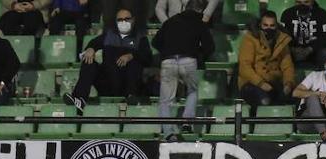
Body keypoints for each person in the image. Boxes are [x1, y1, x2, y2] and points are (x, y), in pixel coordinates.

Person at [64, 8, 152, 112]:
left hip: (127, 85)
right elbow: (94, 43)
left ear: (133, 20)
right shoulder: (109, 36)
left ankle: (131, 97)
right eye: (120, 20)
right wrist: (90, 49)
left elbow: (147, 57)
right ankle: (79, 99)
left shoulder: (140, 38)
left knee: (135, 63)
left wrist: (130, 56)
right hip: (108, 83)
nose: (123, 22)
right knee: (88, 62)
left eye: (127, 19)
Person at [155, 0, 215, 141]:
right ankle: (187, 122)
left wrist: (168, 51)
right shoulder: (199, 22)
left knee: (165, 100)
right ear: (200, 10)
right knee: (192, 91)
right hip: (189, 60)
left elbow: (156, 42)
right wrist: (199, 55)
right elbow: (210, 47)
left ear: (185, 7)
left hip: (168, 60)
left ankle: (168, 133)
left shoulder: (170, 21)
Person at [237, 12, 295, 107]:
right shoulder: (250, 39)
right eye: (265, 25)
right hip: (251, 83)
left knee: (291, 98)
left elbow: (287, 66)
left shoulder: (282, 40)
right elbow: (244, 67)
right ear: (260, 25)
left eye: (272, 26)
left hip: (274, 82)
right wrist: (260, 83)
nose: (268, 28)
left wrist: (288, 83)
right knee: (265, 100)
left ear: (276, 26)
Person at [280, 0, 326, 69]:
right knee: (281, 50)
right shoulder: (287, 13)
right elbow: (282, 36)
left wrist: (309, 49)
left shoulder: (322, 14)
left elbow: (325, 37)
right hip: (293, 50)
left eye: (306, 2)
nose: (302, 5)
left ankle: (320, 74)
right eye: (298, 2)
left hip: (314, 50)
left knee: (324, 52)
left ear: (312, 1)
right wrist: (292, 49)